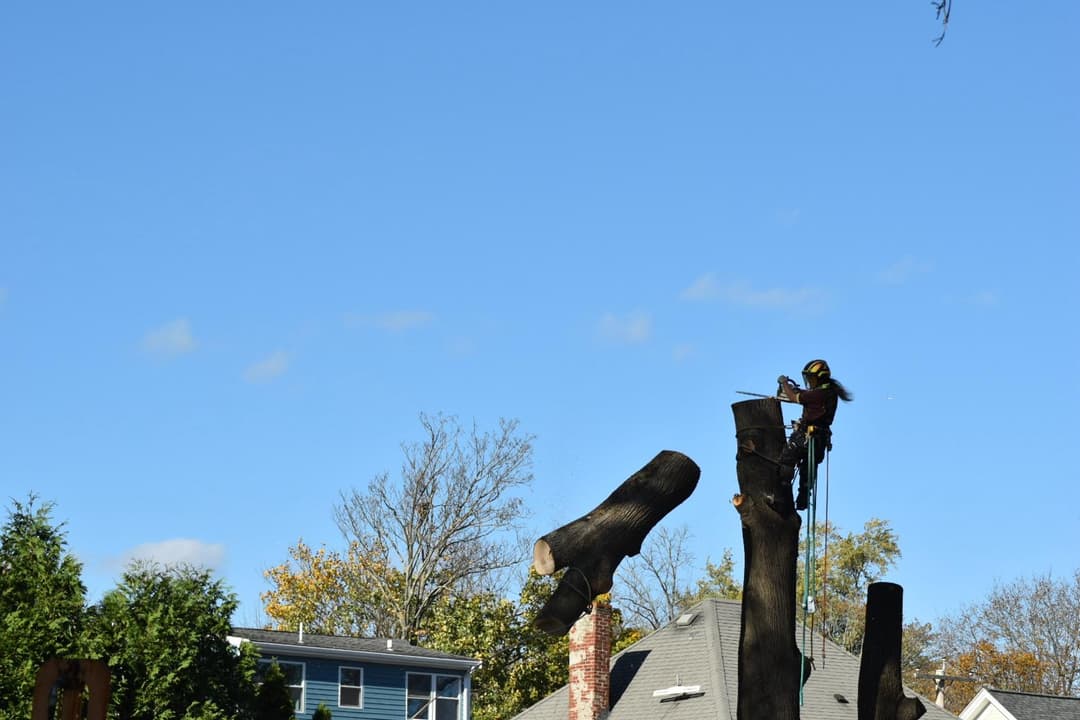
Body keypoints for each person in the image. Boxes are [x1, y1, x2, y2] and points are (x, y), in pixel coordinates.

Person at [776, 359, 853, 510]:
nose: (810, 382)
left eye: (811, 378)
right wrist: (796, 391)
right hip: (821, 440)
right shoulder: (829, 392)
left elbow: (793, 397)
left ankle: (781, 496)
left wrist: (784, 383)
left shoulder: (818, 395)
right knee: (808, 469)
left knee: (786, 461)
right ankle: (803, 499)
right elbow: (807, 395)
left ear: (819, 378)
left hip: (805, 436)